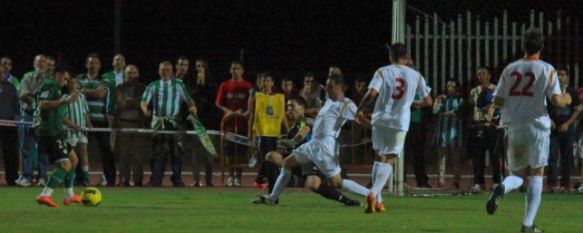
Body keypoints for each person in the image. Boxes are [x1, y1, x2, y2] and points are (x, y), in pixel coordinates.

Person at [485, 28, 572, 233]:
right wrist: (568, 98)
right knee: (536, 175)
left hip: (514, 126)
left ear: (523, 45)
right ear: (541, 46)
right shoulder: (546, 69)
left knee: (517, 174)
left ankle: (503, 187)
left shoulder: (510, 68)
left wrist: (492, 109)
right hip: (537, 126)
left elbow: (498, 100)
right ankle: (527, 224)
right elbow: (557, 101)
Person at [254, 74, 372, 207]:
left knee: (337, 183)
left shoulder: (346, 104)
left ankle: (371, 195)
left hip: (324, 147)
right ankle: (272, 198)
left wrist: (373, 127)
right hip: (313, 144)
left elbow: (359, 117)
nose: (326, 88)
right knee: (287, 163)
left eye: (330, 86)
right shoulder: (328, 100)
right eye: (326, 85)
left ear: (339, 86)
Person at [357, 43, 432, 213]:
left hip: (380, 119)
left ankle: (378, 201)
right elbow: (428, 101)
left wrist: (359, 109)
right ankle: (374, 193)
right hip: (399, 122)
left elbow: (371, 94)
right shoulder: (416, 76)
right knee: (390, 158)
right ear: (406, 57)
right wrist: (413, 103)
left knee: (378, 156)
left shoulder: (382, 71)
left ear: (391, 56)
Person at [141, 61, 197, 187]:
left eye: (167, 70)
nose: (164, 72)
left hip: (174, 122)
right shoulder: (153, 85)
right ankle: (156, 179)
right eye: (162, 69)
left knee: (176, 152)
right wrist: (145, 110)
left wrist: (193, 108)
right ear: (158, 71)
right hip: (158, 122)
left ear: (172, 71)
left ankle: (177, 179)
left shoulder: (178, 85)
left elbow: (189, 100)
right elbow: (144, 101)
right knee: (157, 151)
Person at [34, 67, 82, 208]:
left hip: (57, 131)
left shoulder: (59, 90)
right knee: (65, 165)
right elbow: (43, 104)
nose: (66, 82)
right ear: (57, 75)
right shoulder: (50, 85)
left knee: (74, 160)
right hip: (49, 132)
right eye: (65, 78)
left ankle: (69, 195)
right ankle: (45, 195)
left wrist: (72, 125)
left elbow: (58, 113)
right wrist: (65, 100)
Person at [77, 53, 116, 186]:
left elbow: (101, 94)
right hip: (81, 120)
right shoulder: (79, 78)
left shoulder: (104, 80)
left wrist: (83, 91)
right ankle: (80, 178)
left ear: (99, 66)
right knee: (79, 149)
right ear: (86, 65)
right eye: (90, 62)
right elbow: (75, 93)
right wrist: (90, 92)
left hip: (100, 119)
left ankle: (110, 179)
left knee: (105, 150)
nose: (93, 65)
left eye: (95, 63)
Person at [215, 60, 253, 186]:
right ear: (230, 70)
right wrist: (229, 112)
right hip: (229, 126)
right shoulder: (224, 85)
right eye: (233, 68)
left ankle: (238, 177)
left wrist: (244, 112)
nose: (235, 71)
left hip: (243, 125)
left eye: (238, 68)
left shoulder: (248, 86)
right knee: (230, 152)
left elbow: (252, 105)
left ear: (242, 71)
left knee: (241, 152)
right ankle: (230, 176)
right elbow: (218, 103)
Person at [249, 72, 287, 192]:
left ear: (272, 83)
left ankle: (268, 186)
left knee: (273, 163)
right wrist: (252, 135)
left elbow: (282, 116)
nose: (265, 83)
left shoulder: (279, 98)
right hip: (263, 134)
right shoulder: (258, 97)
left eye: (268, 81)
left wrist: (288, 131)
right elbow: (254, 116)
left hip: (275, 134)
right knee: (270, 163)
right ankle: (271, 189)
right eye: (263, 81)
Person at [546, 64, 581, 193]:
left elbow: (577, 110)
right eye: (558, 75)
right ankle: (551, 185)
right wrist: (549, 121)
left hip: (568, 129)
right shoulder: (550, 92)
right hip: (553, 130)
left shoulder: (572, 92)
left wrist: (568, 124)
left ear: (567, 77)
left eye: (563, 75)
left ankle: (565, 185)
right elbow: (544, 109)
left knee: (567, 157)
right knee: (552, 157)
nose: (560, 77)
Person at [468, 66, 503, 193]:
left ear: (489, 75)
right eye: (478, 74)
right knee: (478, 156)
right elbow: (471, 106)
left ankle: (496, 182)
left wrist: (489, 107)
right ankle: (479, 183)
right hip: (479, 125)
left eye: (483, 73)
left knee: (495, 155)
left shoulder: (497, 89)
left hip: (493, 125)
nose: (481, 76)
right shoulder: (474, 91)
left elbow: (500, 104)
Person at [17, 54, 49, 187]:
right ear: (34, 63)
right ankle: (27, 177)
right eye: (38, 62)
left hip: (43, 116)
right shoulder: (27, 77)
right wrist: (37, 95)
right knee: (26, 147)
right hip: (29, 114)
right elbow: (22, 96)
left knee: (43, 147)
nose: (41, 64)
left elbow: (47, 99)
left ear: (47, 65)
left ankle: (42, 177)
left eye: (43, 62)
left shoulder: (49, 80)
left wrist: (31, 94)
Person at [188, 58, 218, 187]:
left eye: (202, 66)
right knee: (195, 154)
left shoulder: (212, 85)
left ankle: (209, 180)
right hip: (195, 124)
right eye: (197, 66)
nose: (199, 68)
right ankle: (195, 180)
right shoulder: (190, 85)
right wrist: (198, 85)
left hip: (209, 125)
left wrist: (203, 85)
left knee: (209, 155)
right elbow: (189, 99)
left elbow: (213, 103)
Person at [115, 65, 146, 186]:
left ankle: (138, 181)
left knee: (137, 155)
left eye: (134, 73)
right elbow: (120, 105)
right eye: (129, 73)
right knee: (123, 154)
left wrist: (127, 101)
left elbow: (141, 102)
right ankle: (124, 180)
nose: (131, 76)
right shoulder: (119, 88)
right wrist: (134, 102)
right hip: (123, 123)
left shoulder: (143, 88)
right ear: (124, 75)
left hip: (138, 124)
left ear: (138, 74)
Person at [432, 79, 465, 189]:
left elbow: (455, 113)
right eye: (448, 86)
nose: (450, 88)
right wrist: (437, 99)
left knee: (456, 159)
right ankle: (440, 181)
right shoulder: (443, 99)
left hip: (455, 133)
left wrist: (442, 113)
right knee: (441, 158)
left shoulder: (460, 100)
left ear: (457, 88)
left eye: (452, 86)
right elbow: (435, 111)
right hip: (442, 133)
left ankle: (456, 182)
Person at [62, 78, 92, 186]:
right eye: (72, 83)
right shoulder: (64, 98)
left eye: (76, 83)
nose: (75, 85)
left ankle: (85, 177)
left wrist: (89, 124)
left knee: (84, 150)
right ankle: (70, 178)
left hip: (82, 130)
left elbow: (84, 112)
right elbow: (62, 116)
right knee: (71, 154)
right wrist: (73, 126)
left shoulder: (82, 97)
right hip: (70, 130)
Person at [0, 64, 20, 185]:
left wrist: (16, 120)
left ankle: (12, 179)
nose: (0, 75)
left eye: (2, 73)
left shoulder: (11, 87)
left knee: (11, 153)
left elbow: (16, 105)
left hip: (9, 124)